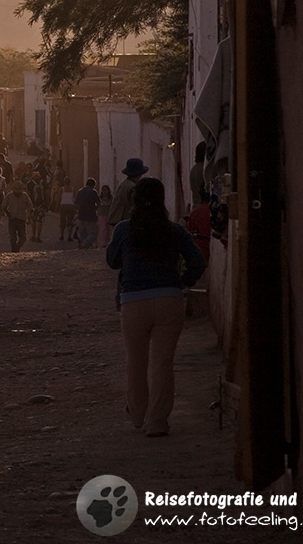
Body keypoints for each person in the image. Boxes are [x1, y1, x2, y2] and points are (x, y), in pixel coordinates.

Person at [106, 177, 206, 437]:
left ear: (134, 201)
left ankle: (138, 414)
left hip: (133, 302)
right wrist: (182, 282)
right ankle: (157, 422)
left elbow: (112, 261)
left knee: (136, 362)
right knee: (162, 363)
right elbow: (197, 260)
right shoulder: (175, 231)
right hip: (168, 301)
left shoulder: (125, 230)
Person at [107, 158, 148, 230]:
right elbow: (134, 205)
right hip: (125, 220)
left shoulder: (124, 184)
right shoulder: (133, 187)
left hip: (118, 219)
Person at [2, 182, 33, 252]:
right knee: (13, 238)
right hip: (12, 219)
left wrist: (30, 215)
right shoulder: (9, 196)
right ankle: (13, 251)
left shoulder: (25, 196)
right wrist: (9, 215)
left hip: (22, 219)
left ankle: (17, 248)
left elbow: (30, 206)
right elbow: (3, 206)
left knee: (23, 238)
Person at [73, 177, 100, 248]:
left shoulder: (80, 191)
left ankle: (84, 244)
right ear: (93, 185)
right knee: (92, 233)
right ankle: (86, 243)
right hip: (91, 214)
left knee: (83, 232)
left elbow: (76, 202)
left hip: (81, 214)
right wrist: (96, 208)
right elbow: (98, 202)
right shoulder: (93, 192)